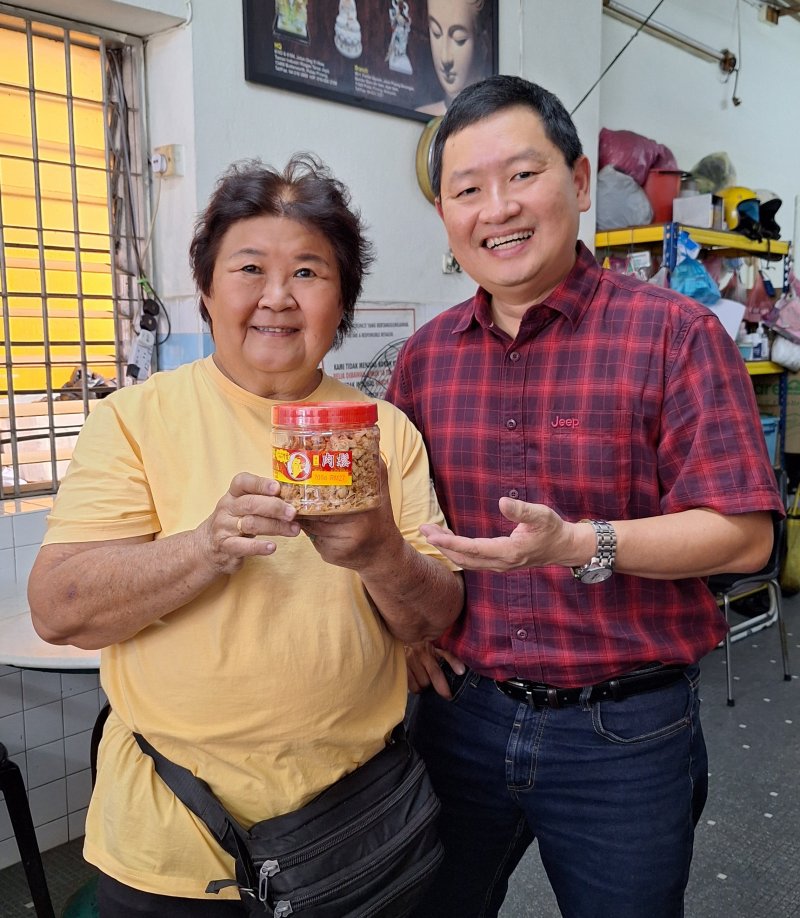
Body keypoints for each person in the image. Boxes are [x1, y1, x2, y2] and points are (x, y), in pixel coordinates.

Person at [387, 75, 784, 918]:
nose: (497, 208)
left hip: (624, 733)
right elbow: (399, 526)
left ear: (574, 180)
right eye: (467, 190)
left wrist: (577, 545)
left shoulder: (675, 334)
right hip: (462, 715)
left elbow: (746, 537)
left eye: (522, 176)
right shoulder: (424, 359)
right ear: (446, 218)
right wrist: (401, 630)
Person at [27, 155, 463, 917]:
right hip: (171, 837)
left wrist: (379, 554)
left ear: (342, 303)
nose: (276, 297)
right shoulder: (133, 419)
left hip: (351, 824)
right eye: (250, 268)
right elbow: (58, 609)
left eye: (308, 273)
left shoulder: (384, 431)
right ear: (205, 290)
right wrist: (205, 549)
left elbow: (433, 619)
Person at [416, 0, 492, 116]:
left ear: (483, 43)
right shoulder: (423, 115)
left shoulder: (497, 119)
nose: (445, 58)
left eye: (459, 39)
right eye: (436, 33)